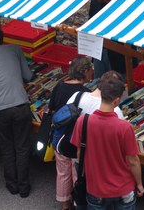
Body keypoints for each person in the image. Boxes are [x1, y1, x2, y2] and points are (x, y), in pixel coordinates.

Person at [71, 74, 144, 210]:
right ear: (116, 101)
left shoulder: (83, 121)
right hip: (123, 188)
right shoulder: (124, 127)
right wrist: (139, 184)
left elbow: (80, 153)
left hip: (96, 188)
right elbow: (133, 160)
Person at [0, 26, 33, 198]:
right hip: (20, 104)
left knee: (7, 146)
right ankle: (24, 187)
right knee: (22, 146)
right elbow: (28, 75)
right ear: (1, 38)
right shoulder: (15, 49)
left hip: (0, 108)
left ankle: (12, 184)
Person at [48, 56, 93, 210]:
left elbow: (52, 108)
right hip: (76, 140)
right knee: (77, 172)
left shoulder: (59, 87)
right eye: (91, 70)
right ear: (85, 71)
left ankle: (65, 204)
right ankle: (77, 202)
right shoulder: (86, 93)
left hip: (59, 137)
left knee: (62, 172)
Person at [89, 0, 138, 80]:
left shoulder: (121, 5)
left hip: (117, 54)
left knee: (116, 81)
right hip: (100, 49)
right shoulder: (95, 2)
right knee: (99, 79)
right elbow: (91, 21)